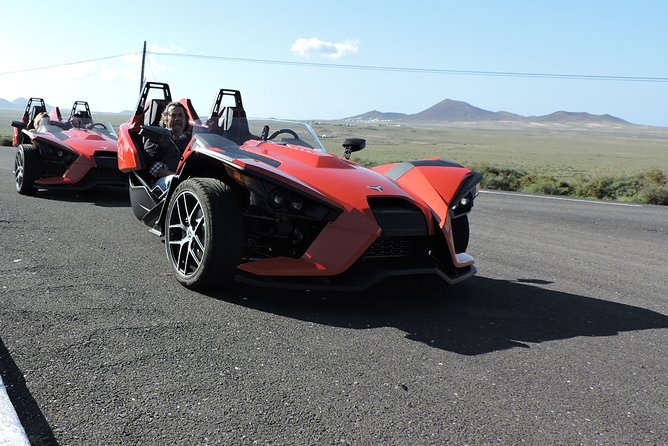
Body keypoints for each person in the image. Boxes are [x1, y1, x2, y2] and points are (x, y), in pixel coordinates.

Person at [144, 101, 192, 193]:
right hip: (164, 183)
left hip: (190, 182)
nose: (177, 118)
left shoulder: (192, 141)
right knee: (173, 180)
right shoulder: (155, 140)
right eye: (173, 115)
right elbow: (153, 168)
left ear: (186, 120)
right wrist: (180, 178)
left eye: (180, 115)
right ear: (165, 120)